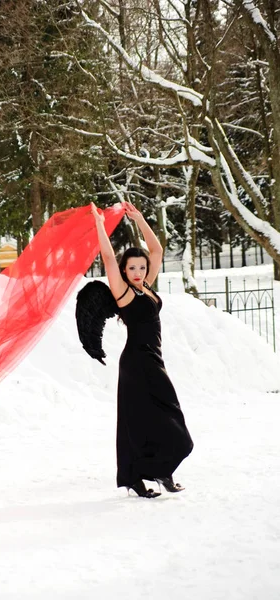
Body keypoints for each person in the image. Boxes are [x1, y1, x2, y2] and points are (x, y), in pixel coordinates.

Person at [90, 201, 193, 498]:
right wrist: (99, 224)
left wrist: (139, 219)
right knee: (140, 420)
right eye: (132, 267)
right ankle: (139, 477)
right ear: (124, 270)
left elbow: (157, 250)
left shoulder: (146, 286)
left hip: (152, 359)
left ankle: (161, 471)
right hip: (137, 362)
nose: (137, 271)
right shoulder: (123, 292)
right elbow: (108, 258)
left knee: (163, 415)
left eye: (141, 267)